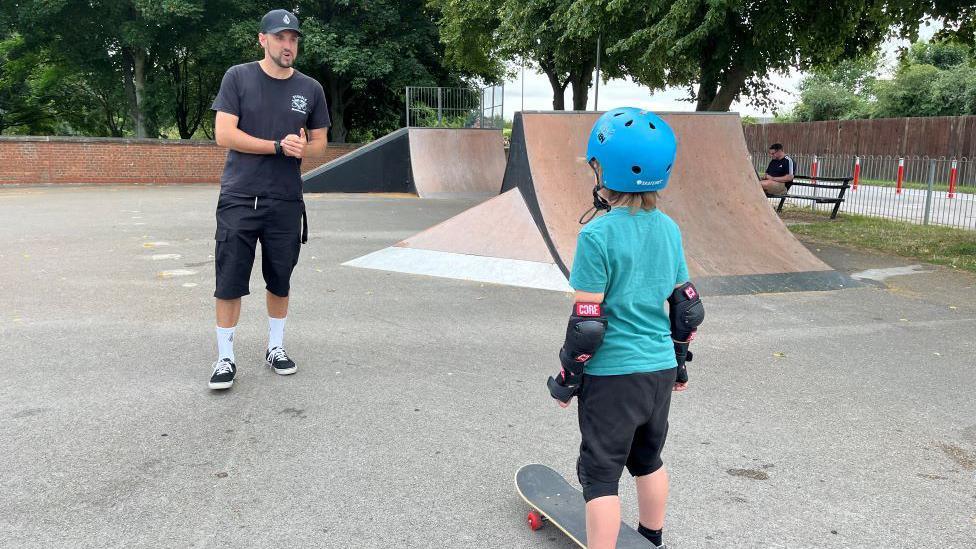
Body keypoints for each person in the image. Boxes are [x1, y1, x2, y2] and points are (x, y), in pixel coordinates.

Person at [547, 108, 704, 549]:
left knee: (600, 476)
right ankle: (652, 538)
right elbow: (687, 308)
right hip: (655, 372)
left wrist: (568, 378)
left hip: (612, 376)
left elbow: (587, 326)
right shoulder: (669, 229)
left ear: (603, 169)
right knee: (648, 459)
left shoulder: (596, 237)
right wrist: (678, 366)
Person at [207, 9, 331, 390]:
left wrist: (302, 148)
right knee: (229, 280)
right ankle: (225, 357)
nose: (288, 45)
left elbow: (320, 144)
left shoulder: (310, 88)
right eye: (280, 38)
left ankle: (275, 347)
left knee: (280, 279)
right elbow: (224, 134)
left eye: (293, 39)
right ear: (263, 40)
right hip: (240, 197)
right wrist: (276, 147)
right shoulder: (238, 77)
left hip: (285, 200)